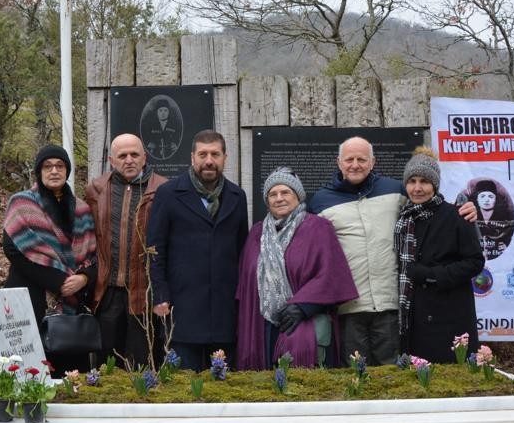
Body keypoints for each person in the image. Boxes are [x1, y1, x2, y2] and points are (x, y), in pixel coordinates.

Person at [308, 136, 477, 366]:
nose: (355, 165)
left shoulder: (396, 191)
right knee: (353, 373)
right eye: (349, 159)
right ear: (339, 162)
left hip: (390, 304)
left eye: (361, 159)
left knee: (392, 372)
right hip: (348, 305)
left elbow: (429, 205)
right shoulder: (320, 201)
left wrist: (466, 209)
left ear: (373, 162)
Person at [235, 168, 358, 370]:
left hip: (304, 321)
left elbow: (330, 275)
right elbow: (246, 281)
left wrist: (303, 306)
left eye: (285, 192)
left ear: (298, 196)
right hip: (262, 326)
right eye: (273, 194)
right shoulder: (257, 233)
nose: (279, 198)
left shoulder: (319, 228)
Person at [146, 130, 249, 371]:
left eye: (215, 154)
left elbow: (242, 251)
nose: (209, 160)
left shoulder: (237, 196)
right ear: (192, 157)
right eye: (203, 154)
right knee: (184, 384)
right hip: (182, 309)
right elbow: (155, 250)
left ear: (225, 157)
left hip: (224, 310)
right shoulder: (169, 193)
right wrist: (160, 295)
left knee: (223, 384)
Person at [2, 144, 97, 375]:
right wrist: (58, 281)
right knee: (32, 370)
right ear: (39, 171)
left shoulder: (82, 209)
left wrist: (84, 278)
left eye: (60, 166)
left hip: (71, 304)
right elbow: (13, 251)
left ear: (67, 171)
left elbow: (93, 256)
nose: (54, 171)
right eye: (47, 166)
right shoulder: (22, 203)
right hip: (30, 298)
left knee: (71, 373)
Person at [84, 133, 168, 368]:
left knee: (145, 364)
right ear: (111, 160)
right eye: (122, 156)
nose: (129, 160)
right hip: (108, 292)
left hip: (145, 293)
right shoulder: (96, 190)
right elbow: (87, 238)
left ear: (145, 157)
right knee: (107, 365)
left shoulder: (163, 189)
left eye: (134, 154)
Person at [395, 148, 484, 363]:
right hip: (413, 315)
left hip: (448, 316)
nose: (417, 188)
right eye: (412, 181)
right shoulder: (403, 219)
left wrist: (432, 275)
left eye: (424, 181)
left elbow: (475, 262)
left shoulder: (457, 215)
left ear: (434, 185)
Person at [471, 179, 514, 260]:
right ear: (477, 199)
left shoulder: (505, 217)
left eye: (490, 196)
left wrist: (505, 246)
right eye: (482, 196)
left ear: (495, 199)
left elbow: (510, 238)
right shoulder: (470, 216)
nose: (486, 200)